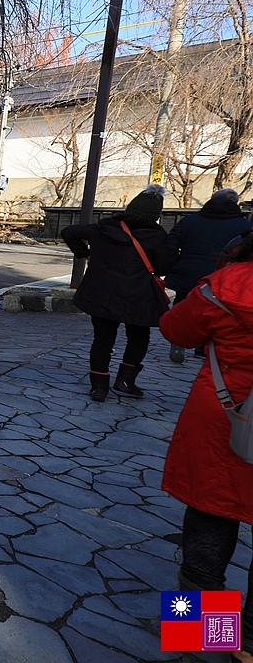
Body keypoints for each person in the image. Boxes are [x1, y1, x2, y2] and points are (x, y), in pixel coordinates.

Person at [159, 230, 253, 663]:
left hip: (225, 415)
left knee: (209, 519)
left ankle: (202, 634)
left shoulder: (223, 285)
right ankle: (249, 641)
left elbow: (175, 330)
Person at [61, 184, 172, 402]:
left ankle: (99, 387)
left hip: (102, 294)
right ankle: (125, 380)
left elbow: (69, 232)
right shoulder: (157, 238)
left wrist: (85, 254)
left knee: (102, 341)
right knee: (139, 338)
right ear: (156, 215)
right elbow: (163, 268)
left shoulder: (103, 228)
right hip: (138, 296)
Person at [165, 188, 252, 362]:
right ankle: (202, 347)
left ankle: (178, 341)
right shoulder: (243, 227)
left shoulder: (189, 221)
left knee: (183, 303)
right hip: (221, 276)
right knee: (215, 311)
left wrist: (175, 265)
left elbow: (170, 245)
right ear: (234, 203)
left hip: (187, 270)